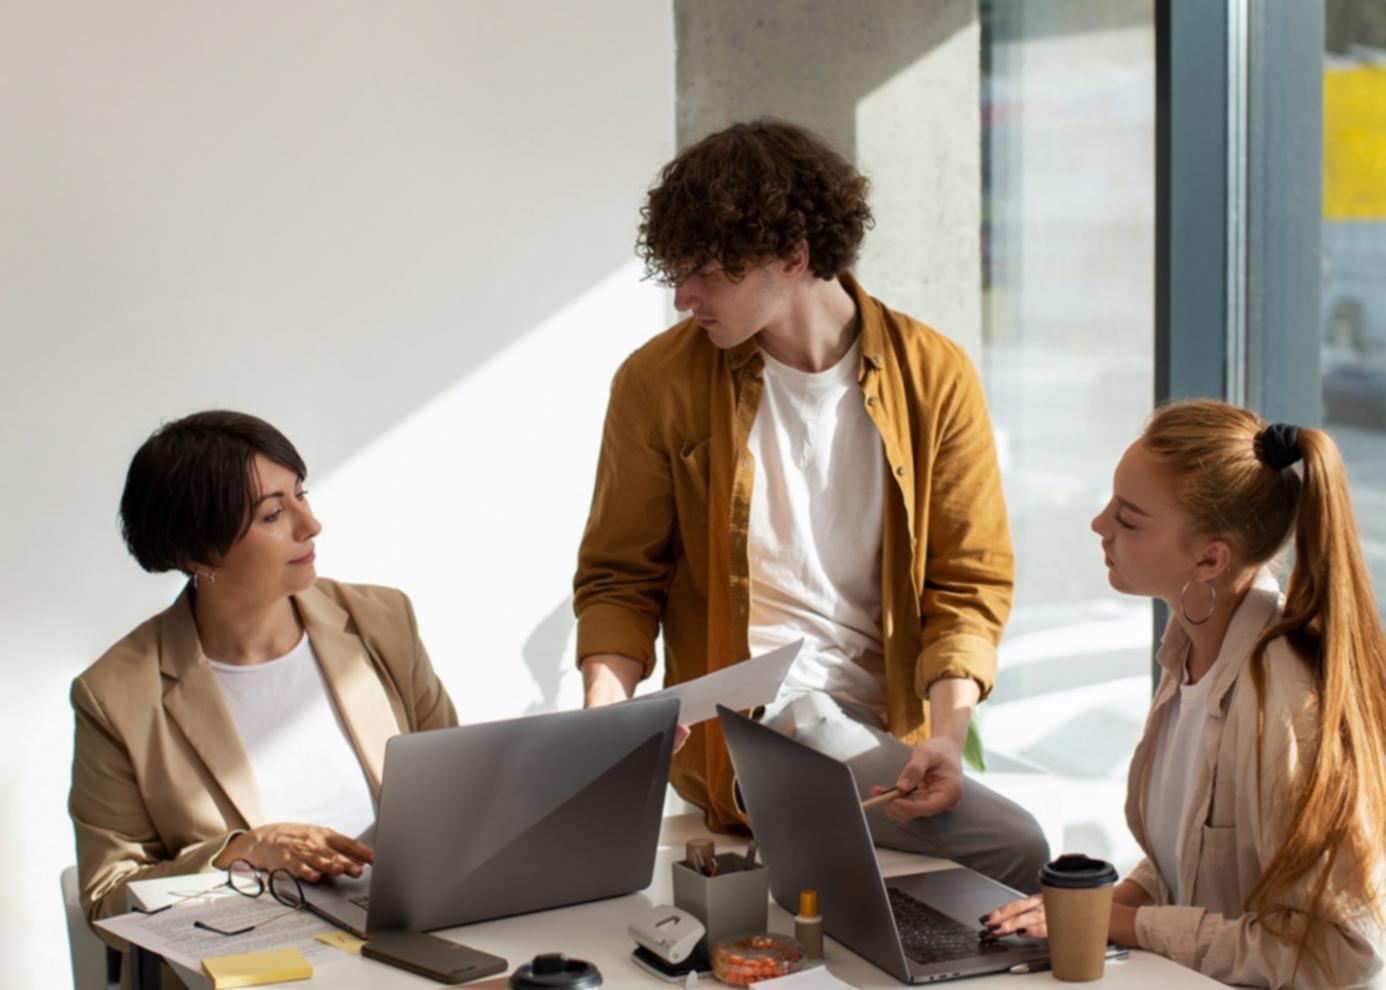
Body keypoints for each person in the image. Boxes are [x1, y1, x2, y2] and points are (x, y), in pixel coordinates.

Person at [573, 118, 1048, 893]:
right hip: (758, 732)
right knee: (1021, 848)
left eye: (709, 273)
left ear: (793, 258)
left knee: (1001, 858)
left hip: (886, 737)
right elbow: (620, 577)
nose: (683, 297)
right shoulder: (656, 383)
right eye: (675, 271)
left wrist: (951, 733)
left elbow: (967, 584)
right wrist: (605, 711)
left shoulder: (934, 376)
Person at [983, 401, 1386, 987]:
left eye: (1128, 518)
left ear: (1210, 557)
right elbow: (1194, 855)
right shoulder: (1193, 652)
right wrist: (1105, 907)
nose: (1099, 525)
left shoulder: (1283, 705)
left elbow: (1342, 951)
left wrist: (1128, 925)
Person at [70, 411, 458, 930]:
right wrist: (240, 854)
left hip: (410, 934)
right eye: (273, 515)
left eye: (302, 494)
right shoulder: (114, 695)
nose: (310, 525)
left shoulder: (382, 621)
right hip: (252, 963)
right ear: (198, 552)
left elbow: (462, 796)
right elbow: (107, 900)